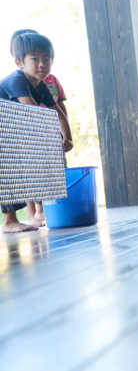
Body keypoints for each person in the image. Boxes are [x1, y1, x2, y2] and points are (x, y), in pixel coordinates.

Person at [8, 29, 74, 228]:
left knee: (32, 170)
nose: (41, 64)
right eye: (35, 59)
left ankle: (45, 210)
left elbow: (57, 112)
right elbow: (34, 113)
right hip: (6, 135)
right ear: (20, 63)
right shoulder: (16, 80)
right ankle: (9, 221)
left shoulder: (42, 85)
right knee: (9, 174)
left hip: (17, 133)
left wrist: (67, 137)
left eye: (47, 59)